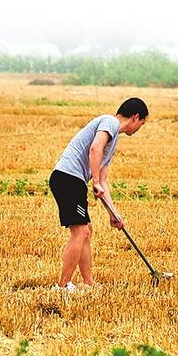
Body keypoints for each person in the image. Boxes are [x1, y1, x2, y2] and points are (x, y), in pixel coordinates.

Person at [48, 97, 149, 291]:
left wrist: (114, 215)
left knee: (87, 231)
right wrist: (94, 181)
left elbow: (103, 181)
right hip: (67, 178)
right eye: (141, 124)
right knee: (80, 232)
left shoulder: (113, 141)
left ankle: (88, 284)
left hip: (74, 181)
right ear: (135, 117)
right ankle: (62, 287)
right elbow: (95, 148)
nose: (138, 129)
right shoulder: (109, 122)